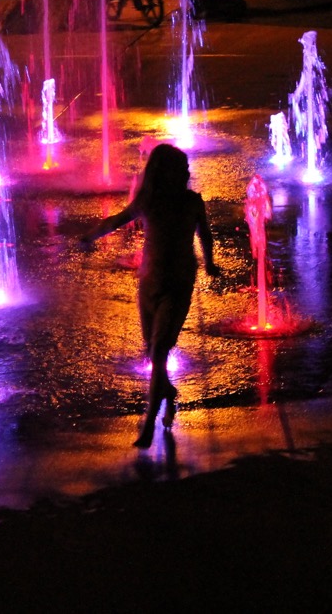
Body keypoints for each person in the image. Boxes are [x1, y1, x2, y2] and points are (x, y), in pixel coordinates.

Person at [80, 144, 219, 448]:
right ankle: (168, 393)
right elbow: (116, 220)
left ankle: (148, 424)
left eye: (186, 168)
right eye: (180, 169)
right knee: (152, 352)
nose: (186, 173)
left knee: (158, 351)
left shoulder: (192, 202)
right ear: (162, 172)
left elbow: (204, 234)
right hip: (149, 283)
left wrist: (209, 264)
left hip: (179, 283)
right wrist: (90, 236)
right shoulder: (150, 201)